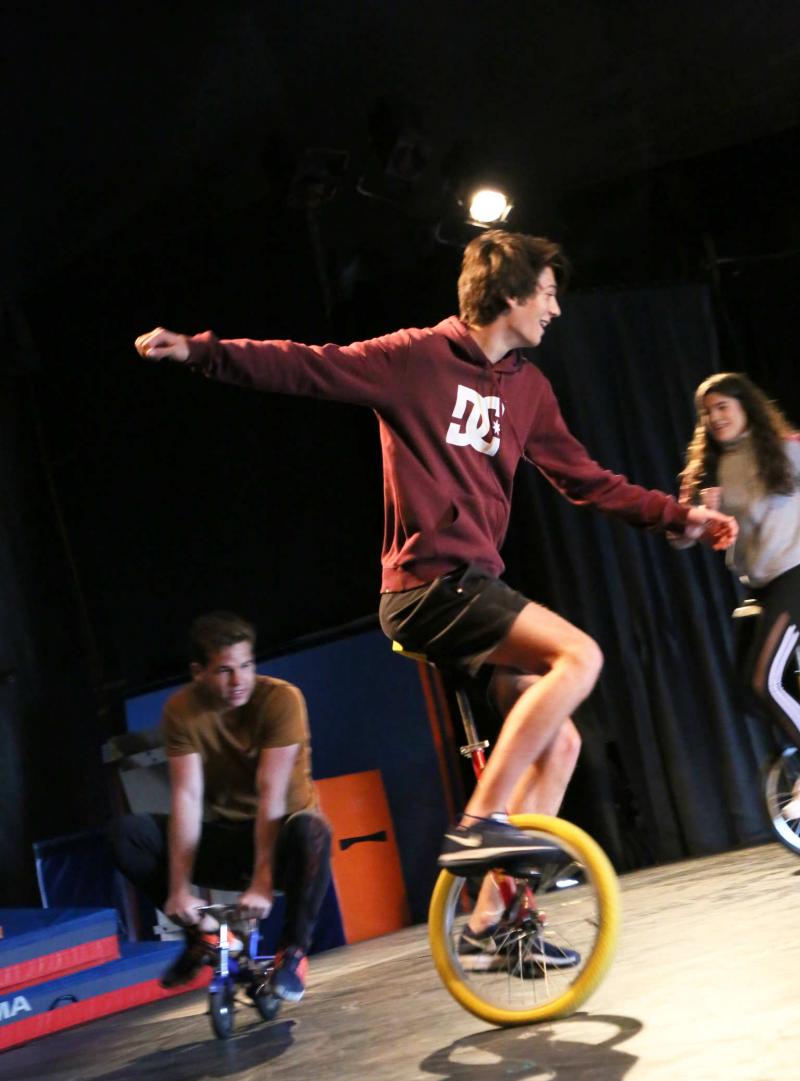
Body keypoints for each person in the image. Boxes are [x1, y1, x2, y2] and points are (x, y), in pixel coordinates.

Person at [133, 229, 736, 943]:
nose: (555, 309)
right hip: (426, 586)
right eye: (547, 294)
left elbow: (587, 480)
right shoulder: (414, 359)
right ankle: (482, 820)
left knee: (562, 744)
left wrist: (677, 516)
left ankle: (495, 918)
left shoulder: (528, 389)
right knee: (582, 657)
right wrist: (200, 351)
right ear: (510, 295)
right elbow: (307, 366)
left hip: (474, 586)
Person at [108, 611, 332, 1002]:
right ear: (199, 673)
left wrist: (262, 881)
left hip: (284, 840)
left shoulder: (281, 699)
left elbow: (270, 793)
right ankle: (206, 935)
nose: (239, 680)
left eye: (246, 666)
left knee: (313, 830)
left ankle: (292, 954)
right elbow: (187, 797)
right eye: (225, 670)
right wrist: (179, 890)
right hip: (229, 839)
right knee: (128, 834)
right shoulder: (182, 710)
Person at [675, 372, 800, 813]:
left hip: (795, 574)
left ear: (746, 406)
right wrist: (696, 520)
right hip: (759, 587)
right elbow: (680, 538)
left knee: (765, 680)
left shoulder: (785, 449)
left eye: (722, 407)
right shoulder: (707, 470)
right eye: (707, 412)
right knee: (749, 692)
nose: (715, 418)